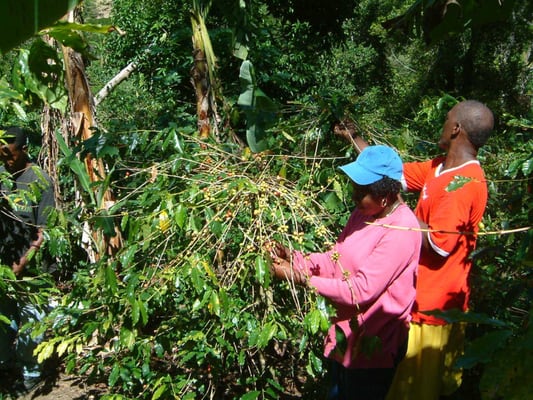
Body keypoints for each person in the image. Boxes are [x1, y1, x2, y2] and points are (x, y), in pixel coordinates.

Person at [334, 100, 494, 399]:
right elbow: (390, 176)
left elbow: (438, 245)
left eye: (447, 119)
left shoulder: (463, 186)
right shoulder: (439, 168)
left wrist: (397, 209)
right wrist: (354, 139)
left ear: (457, 128)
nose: (443, 124)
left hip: (432, 312)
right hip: (413, 303)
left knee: (412, 392)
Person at [267, 145, 422, 400]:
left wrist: (298, 277)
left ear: (384, 195)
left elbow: (360, 291)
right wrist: (292, 257)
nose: (353, 195)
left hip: (373, 347)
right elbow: (334, 260)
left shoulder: (401, 230)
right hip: (345, 337)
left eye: (361, 191)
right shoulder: (363, 214)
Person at [0, 126, 56, 392]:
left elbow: (44, 230)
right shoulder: (2, 176)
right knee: (4, 320)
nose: (5, 160)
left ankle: (32, 376)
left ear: (23, 150)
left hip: (32, 267)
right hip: (4, 264)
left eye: (9, 155)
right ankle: (7, 368)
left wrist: (23, 261)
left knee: (31, 322)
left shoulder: (39, 181)